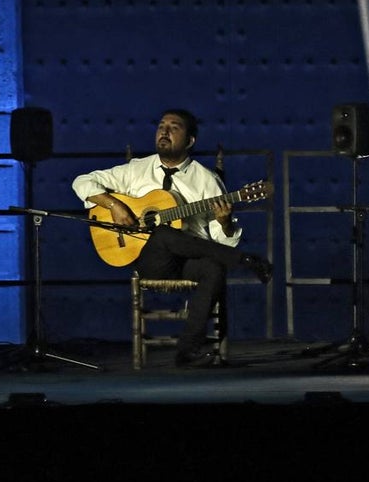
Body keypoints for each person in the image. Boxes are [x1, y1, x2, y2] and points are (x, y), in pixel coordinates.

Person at [71, 108, 272, 367]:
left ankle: (187, 352)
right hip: (150, 260)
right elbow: (81, 182)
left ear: (190, 141)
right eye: (161, 126)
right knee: (164, 233)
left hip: (188, 260)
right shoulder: (136, 169)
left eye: (174, 127)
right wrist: (114, 206)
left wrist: (224, 223)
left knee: (213, 268)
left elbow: (220, 241)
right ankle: (245, 260)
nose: (164, 131)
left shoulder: (207, 180)